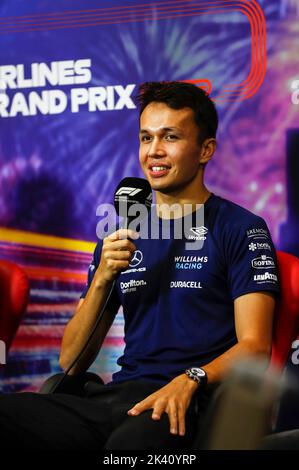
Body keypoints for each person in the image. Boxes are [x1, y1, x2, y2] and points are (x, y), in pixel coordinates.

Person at [0, 81, 280, 451]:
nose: (154, 152)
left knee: (128, 449)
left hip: (191, 401)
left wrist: (191, 379)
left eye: (170, 137)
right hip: (118, 400)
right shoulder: (120, 235)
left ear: (205, 149)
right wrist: (103, 277)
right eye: (146, 138)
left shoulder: (240, 228)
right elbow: (71, 361)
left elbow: (255, 346)